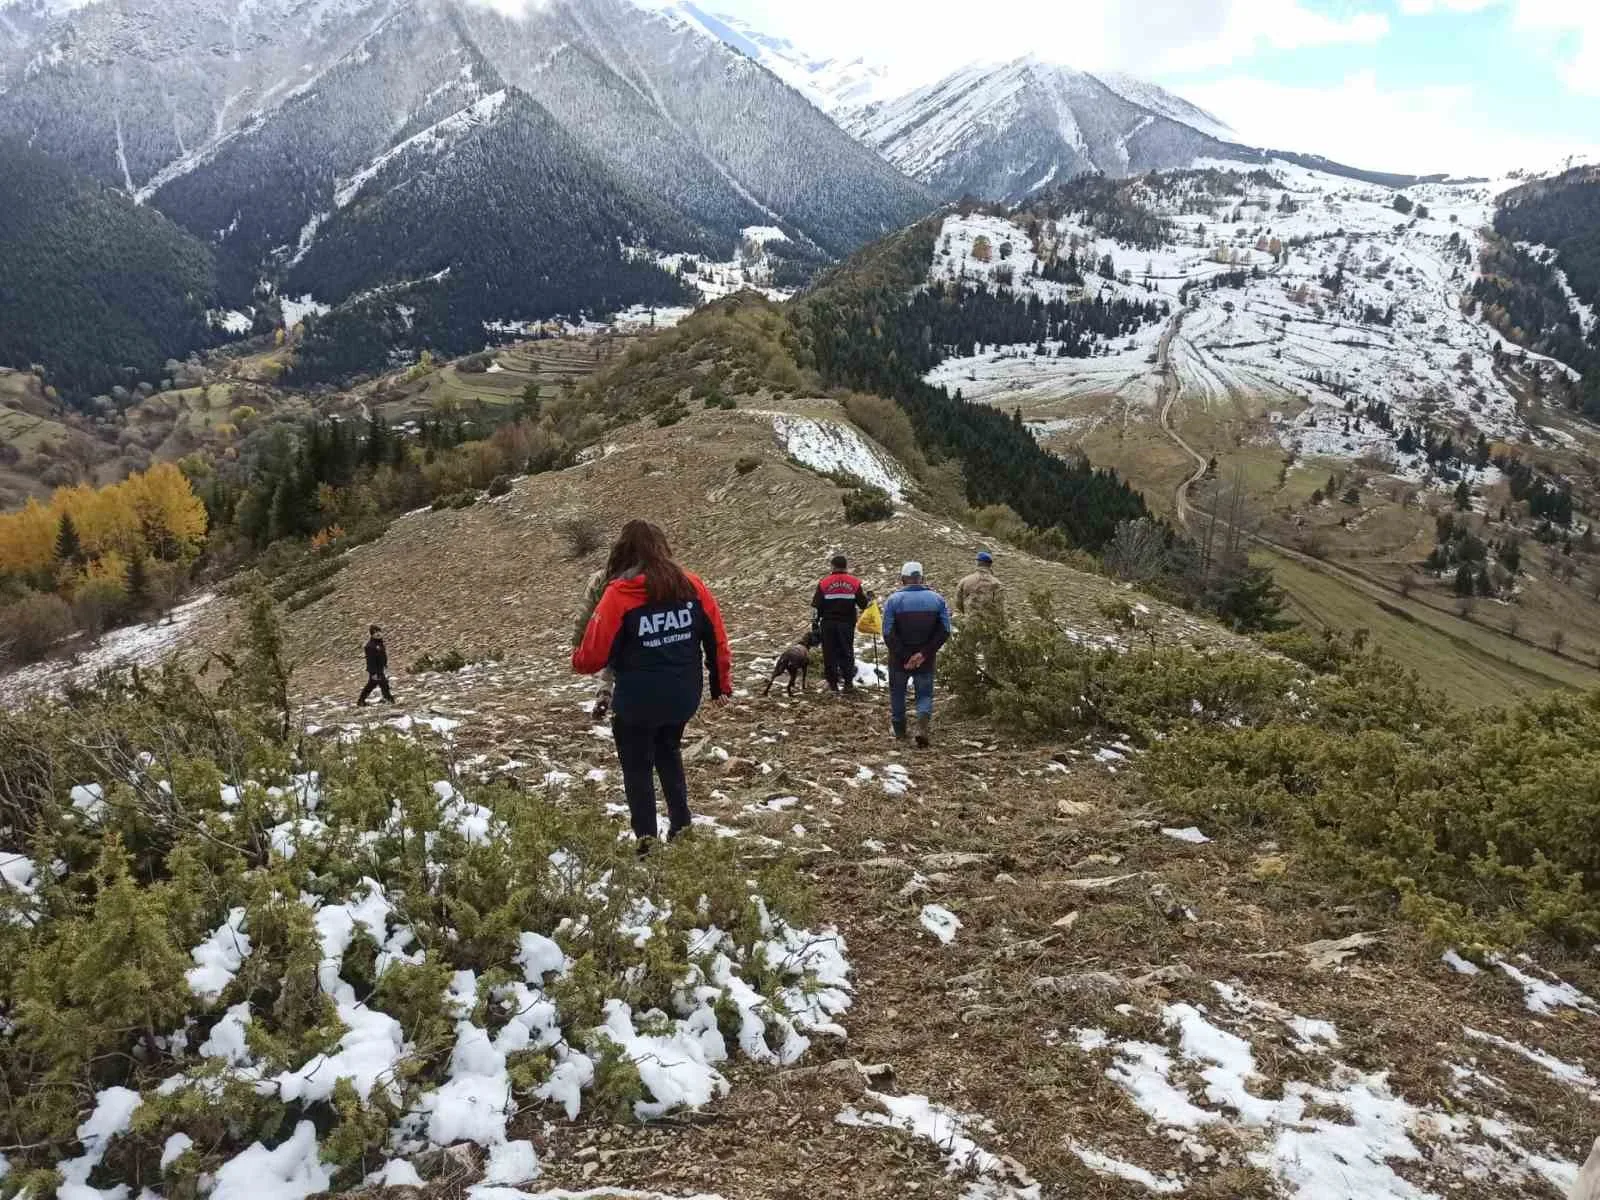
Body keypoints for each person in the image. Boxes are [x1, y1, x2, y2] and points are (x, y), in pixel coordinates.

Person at [573, 521, 733, 851]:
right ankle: (682, 827)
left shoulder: (619, 593)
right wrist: (720, 686)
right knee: (668, 751)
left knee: (637, 770)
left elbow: (590, 657)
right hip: (682, 697)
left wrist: (579, 659)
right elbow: (716, 639)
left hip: (636, 703)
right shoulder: (692, 586)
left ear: (623, 551)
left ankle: (647, 845)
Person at [881, 562, 951, 747]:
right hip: (926, 659)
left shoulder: (893, 601)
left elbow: (888, 633)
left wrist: (906, 656)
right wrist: (923, 654)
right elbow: (945, 630)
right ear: (922, 578)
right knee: (925, 694)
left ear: (903, 579)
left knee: (897, 693)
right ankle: (922, 725)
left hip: (899, 659)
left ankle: (899, 730)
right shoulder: (937, 600)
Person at [811, 554, 873, 694]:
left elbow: (815, 607)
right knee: (847, 652)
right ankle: (848, 684)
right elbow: (863, 605)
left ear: (832, 566)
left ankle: (833, 685)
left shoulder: (824, 583)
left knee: (829, 653)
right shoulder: (854, 583)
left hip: (828, 624)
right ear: (846, 566)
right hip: (846, 624)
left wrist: (814, 624)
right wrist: (869, 598)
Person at [574, 566, 618, 720]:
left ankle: (604, 694)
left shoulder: (601, 577)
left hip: (604, 627)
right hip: (635, 628)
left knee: (607, 665)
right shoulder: (648, 576)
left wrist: (578, 640)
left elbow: (585, 610)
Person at [955, 550, 1007, 625]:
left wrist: (969, 613)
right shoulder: (997, 584)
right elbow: (1000, 609)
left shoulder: (964, 581)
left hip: (970, 624)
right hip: (991, 627)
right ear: (990, 565)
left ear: (977, 563)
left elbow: (958, 604)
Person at [358, 625, 394, 705]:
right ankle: (390, 700)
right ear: (372, 635)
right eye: (375, 632)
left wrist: (385, 665)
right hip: (375, 670)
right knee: (384, 685)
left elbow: (382, 656)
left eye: (378, 632)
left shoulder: (380, 643)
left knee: (371, 685)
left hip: (380, 668)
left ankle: (361, 701)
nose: (377, 634)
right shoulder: (370, 646)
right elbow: (370, 660)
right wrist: (373, 673)